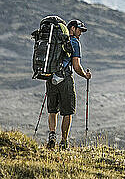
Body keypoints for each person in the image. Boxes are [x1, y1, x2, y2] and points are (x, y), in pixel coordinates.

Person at [46, 18, 92, 150]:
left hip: (51, 79)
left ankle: (52, 135)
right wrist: (85, 75)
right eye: (79, 30)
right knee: (68, 112)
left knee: (52, 110)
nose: (81, 33)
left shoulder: (54, 41)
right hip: (65, 79)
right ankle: (64, 141)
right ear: (72, 28)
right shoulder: (74, 42)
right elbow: (76, 66)